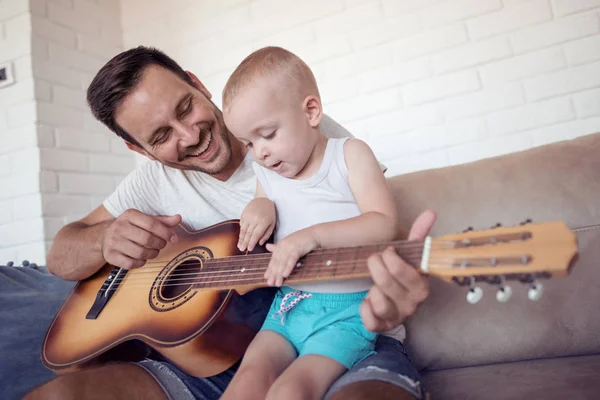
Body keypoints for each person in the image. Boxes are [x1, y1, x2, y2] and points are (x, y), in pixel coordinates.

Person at [24, 46, 435, 400]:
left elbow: (380, 228)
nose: (190, 134)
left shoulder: (289, 131)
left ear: (197, 83)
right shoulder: (152, 182)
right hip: (219, 356)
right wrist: (104, 240)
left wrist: (393, 287)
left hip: (344, 326)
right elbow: (62, 253)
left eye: (186, 107)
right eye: (161, 135)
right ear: (140, 149)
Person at [219, 46, 399, 400]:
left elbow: (384, 224)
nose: (260, 152)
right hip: (288, 307)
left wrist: (312, 237)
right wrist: (259, 206)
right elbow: (264, 200)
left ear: (311, 111)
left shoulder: (349, 155)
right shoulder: (267, 173)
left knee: (290, 390)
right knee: (246, 382)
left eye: (267, 134)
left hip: (347, 311)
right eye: (248, 143)